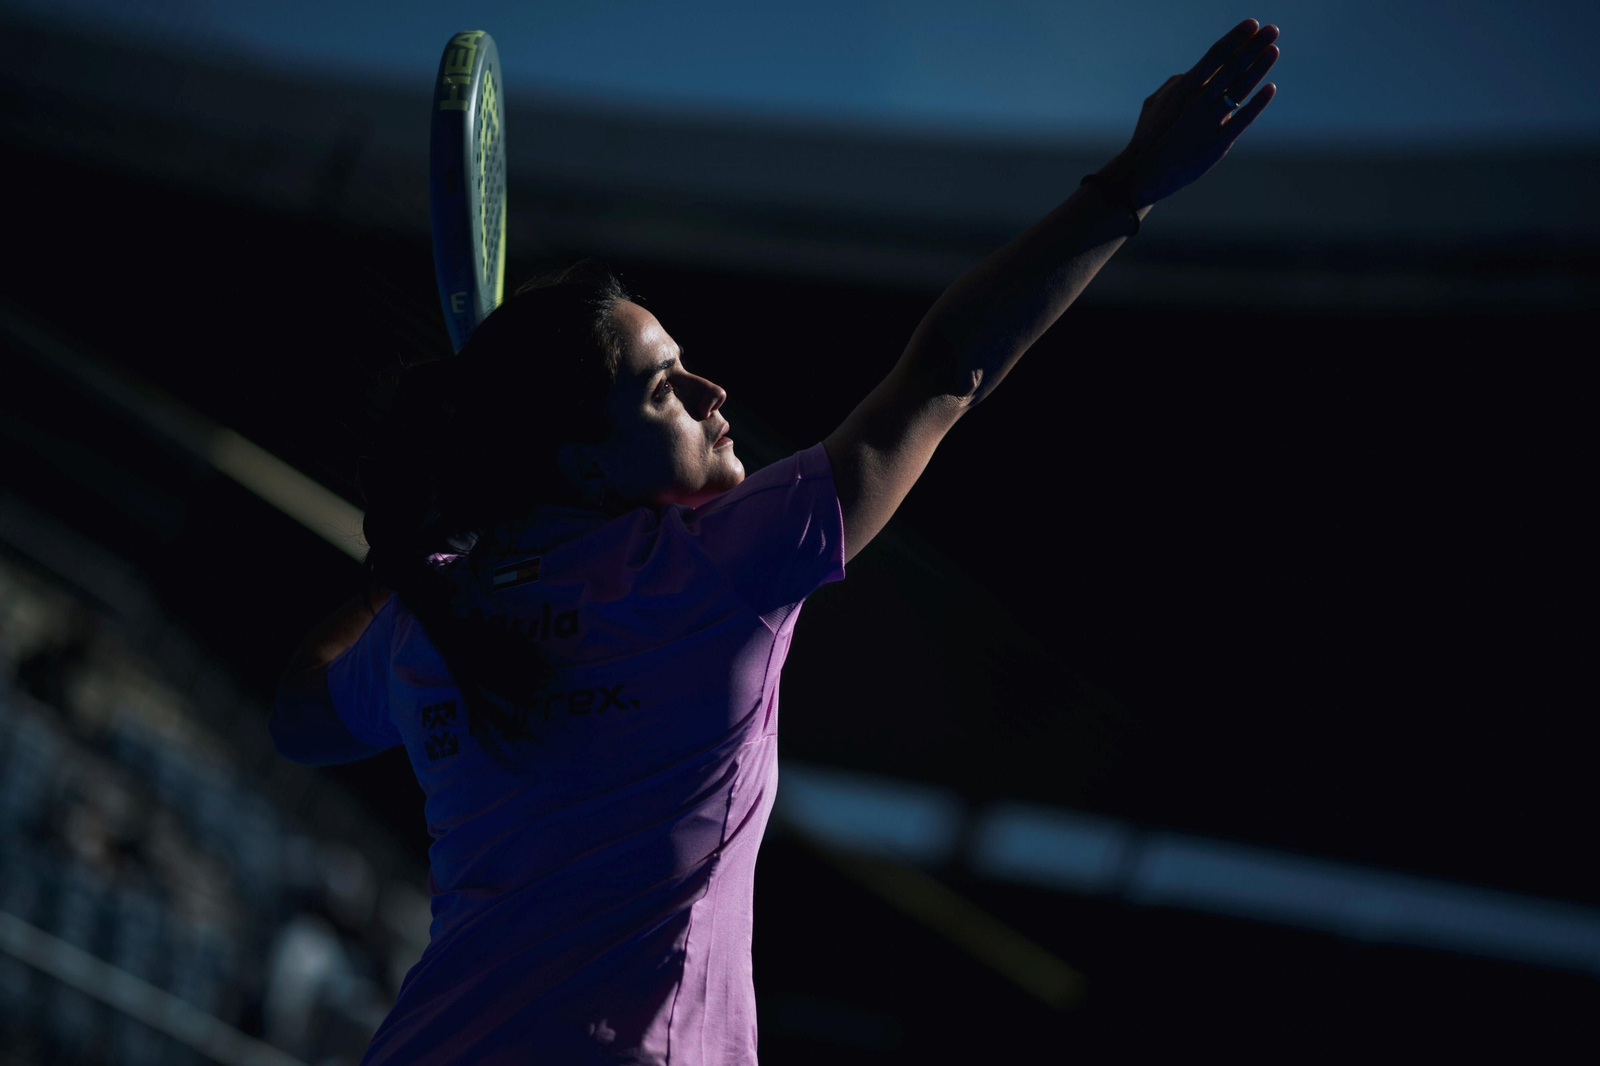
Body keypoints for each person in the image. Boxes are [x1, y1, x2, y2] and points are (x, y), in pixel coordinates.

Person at [270, 18, 1279, 1064]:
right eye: (663, 387)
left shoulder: (434, 613)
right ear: (581, 464)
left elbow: (301, 712)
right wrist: (1129, 187)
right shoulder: (715, 567)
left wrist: (428, 547)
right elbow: (942, 370)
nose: (711, 392)